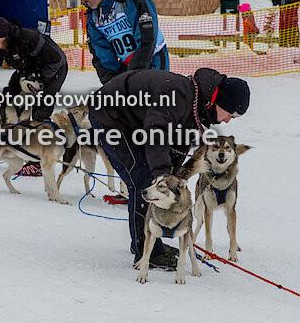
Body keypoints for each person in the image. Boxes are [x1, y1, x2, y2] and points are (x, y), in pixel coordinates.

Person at [89, 67, 250, 271]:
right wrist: (162, 176)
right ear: (220, 101)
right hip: (110, 115)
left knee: (155, 179)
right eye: (230, 114)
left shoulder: (200, 107)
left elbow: (179, 144)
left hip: (134, 121)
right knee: (144, 180)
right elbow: (156, 133)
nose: (228, 120)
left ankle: (150, 243)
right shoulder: (178, 95)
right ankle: (148, 251)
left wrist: (174, 175)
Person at [69, 0, 168, 84]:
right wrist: (112, 83)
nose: (82, 1)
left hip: (153, 61)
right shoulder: (93, 16)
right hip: (126, 67)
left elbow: (146, 38)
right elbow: (101, 53)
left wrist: (134, 76)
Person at [0, 15, 68, 121]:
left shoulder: (28, 38)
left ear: (5, 37)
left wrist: (39, 80)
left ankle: (41, 128)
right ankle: (9, 122)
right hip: (26, 69)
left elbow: (56, 60)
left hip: (53, 68)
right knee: (14, 101)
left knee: (41, 108)